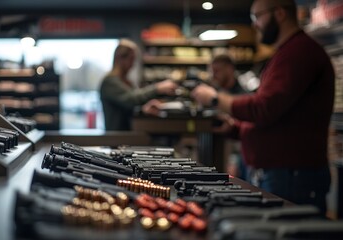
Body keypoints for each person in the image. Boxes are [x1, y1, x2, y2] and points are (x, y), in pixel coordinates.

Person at [190, 0, 335, 214]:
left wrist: (214, 99)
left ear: (279, 13)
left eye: (257, 17)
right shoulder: (287, 53)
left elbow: (264, 107)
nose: (255, 25)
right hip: (283, 174)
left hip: (291, 176)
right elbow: (277, 117)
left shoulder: (299, 52)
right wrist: (236, 129)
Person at [100, 39, 178, 131]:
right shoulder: (110, 82)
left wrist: (143, 109)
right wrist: (157, 88)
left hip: (125, 135)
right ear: (120, 58)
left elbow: (128, 107)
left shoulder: (125, 81)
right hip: (115, 138)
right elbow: (131, 99)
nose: (132, 64)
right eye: (131, 59)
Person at [209, 54, 250, 180]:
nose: (214, 75)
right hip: (214, 152)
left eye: (217, 71)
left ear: (229, 69)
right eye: (212, 71)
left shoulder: (244, 97)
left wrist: (234, 160)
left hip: (237, 155)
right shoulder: (213, 92)